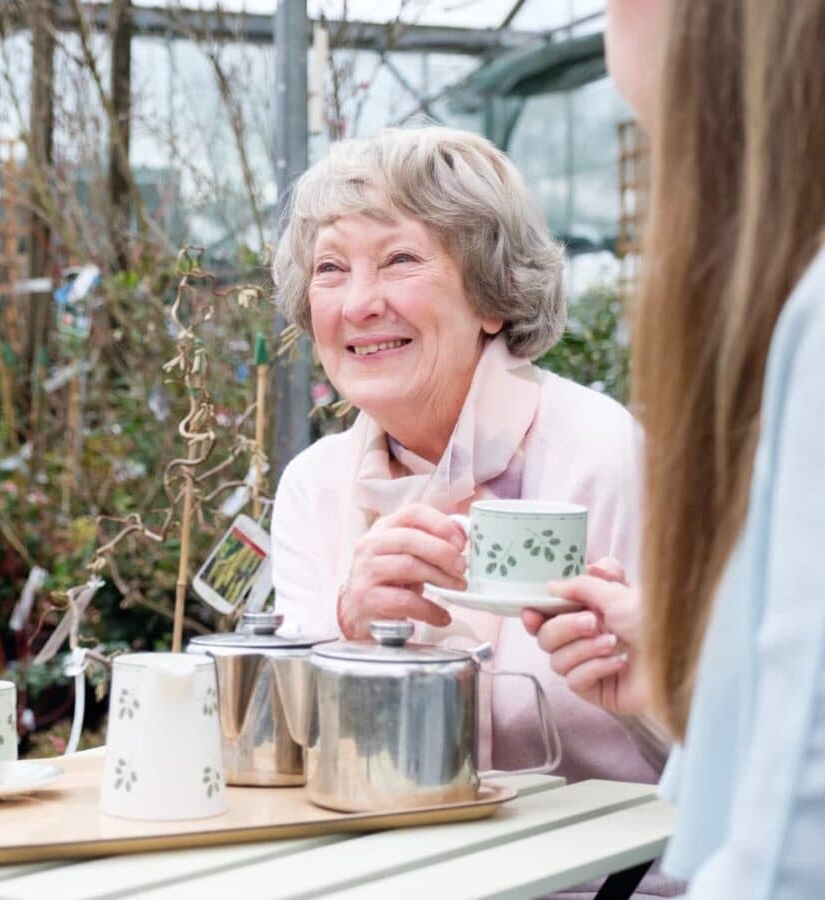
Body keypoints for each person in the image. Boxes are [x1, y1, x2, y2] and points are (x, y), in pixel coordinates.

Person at [270, 124, 681, 899]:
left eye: (399, 260)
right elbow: (284, 759)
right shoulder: (315, 487)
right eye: (331, 268)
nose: (360, 303)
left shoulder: (606, 456)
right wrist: (346, 625)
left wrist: (647, 689)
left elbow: (740, 752)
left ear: (492, 298)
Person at [524, 0, 825, 895]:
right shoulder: (326, 474)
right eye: (328, 267)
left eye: (400, 261)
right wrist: (703, 679)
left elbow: (801, 848)